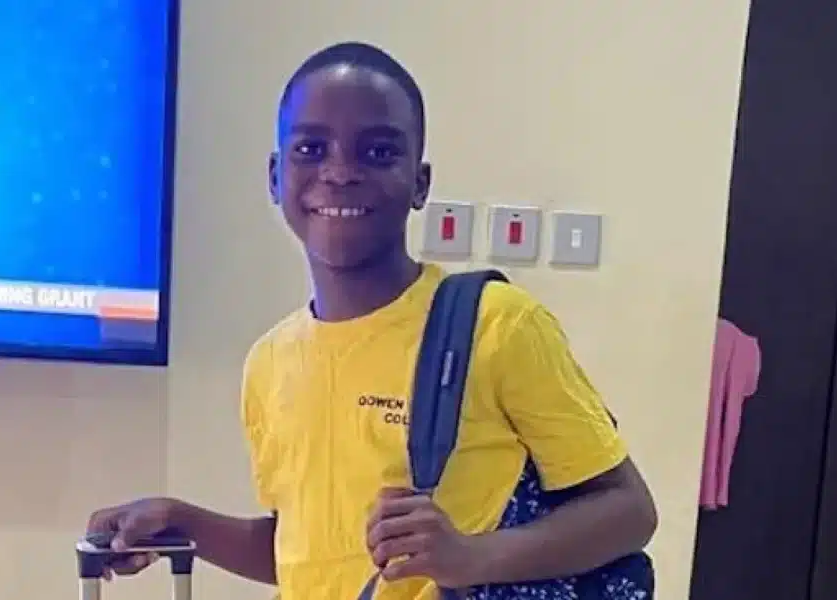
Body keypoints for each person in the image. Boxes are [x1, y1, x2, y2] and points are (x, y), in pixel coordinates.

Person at [86, 41, 658, 599]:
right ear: (274, 176)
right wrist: (178, 520)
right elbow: (302, 553)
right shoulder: (269, 362)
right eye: (311, 149)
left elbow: (629, 510)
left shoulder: (497, 325)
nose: (340, 172)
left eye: (379, 152)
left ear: (420, 183)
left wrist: (469, 557)